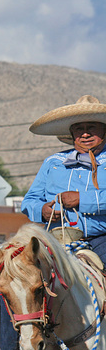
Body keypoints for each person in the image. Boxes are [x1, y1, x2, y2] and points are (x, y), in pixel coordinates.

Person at [22, 95, 106, 265]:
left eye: (92, 127)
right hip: (56, 242)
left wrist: (81, 199)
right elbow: (29, 201)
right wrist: (42, 211)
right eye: (78, 129)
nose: (85, 133)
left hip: (101, 239)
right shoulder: (53, 162)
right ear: (71, 133)